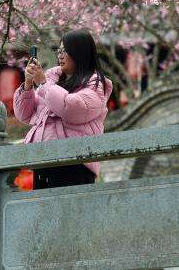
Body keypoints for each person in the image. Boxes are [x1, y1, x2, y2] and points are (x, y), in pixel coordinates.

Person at [13, 29, 113, 190]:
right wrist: (28, 85)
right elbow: (24, 115)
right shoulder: (52, 80)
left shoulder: (96, 84)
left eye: (65, 51)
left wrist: (43, 84)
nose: (60, 56)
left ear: (80, 53)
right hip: (44, 160)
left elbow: (71, 109)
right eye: (59, 51)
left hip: (74, 163)